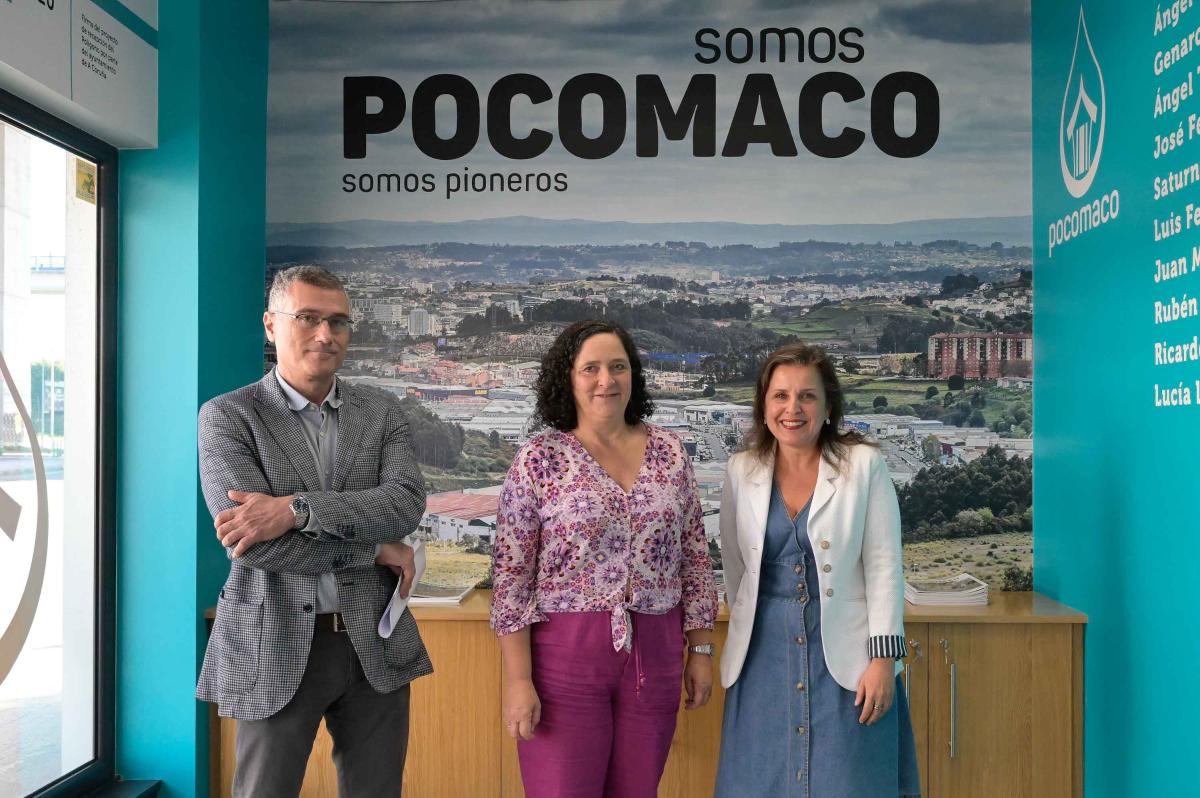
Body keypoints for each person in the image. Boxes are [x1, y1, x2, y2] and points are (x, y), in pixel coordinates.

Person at [195, 265, 432, 798]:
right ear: (271, 324)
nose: (325, 334)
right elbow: (255, 546)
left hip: (374, 645)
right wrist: (374, 549)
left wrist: (297, 510)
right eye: (307, 318)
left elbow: (403, 506)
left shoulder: (381, 412)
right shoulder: (229, 416)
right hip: (273, 641)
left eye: (338, 322)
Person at [490, 319, 718, 798]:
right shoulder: (538, 459)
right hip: (563, 657)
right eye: (590, 368)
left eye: (618, 367)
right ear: (567, 378)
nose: (605, 380)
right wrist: (518, 680)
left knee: (639, 790)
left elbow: (695, 558)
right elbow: (511, 578)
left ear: (633, 374)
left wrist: (700, 652)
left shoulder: (670, 452)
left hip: (656, 653)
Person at [714, 342, 920, 797]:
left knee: (849, 779)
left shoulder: (863, 465)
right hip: (761, 656)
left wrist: (883, 660)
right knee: (761, 780)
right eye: (780, 395)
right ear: (764, 406)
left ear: (828, 407)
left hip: (847, 659)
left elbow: (884, 564)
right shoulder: (740, 469)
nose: (793, 408)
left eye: (807, 396)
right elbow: (736, 566)